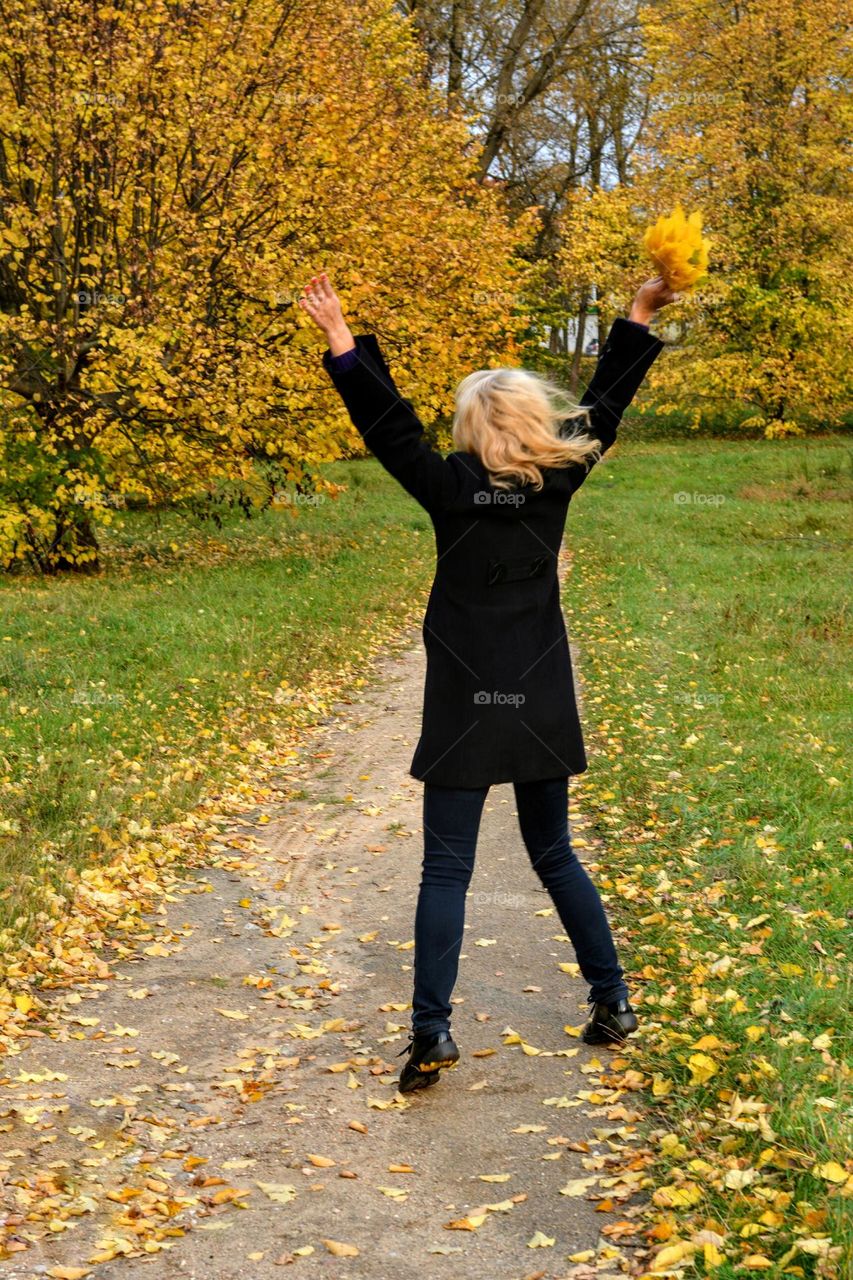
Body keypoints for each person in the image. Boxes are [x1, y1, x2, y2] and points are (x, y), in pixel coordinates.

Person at [298, 271, 679, 1093]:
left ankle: (431, 1031)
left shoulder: (447, 487)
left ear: (472, 428)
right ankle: (612, 1000)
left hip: (465, 705)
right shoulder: (557, 480)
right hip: (538, 698)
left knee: (446, 870)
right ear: (536, 423)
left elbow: (389, 428)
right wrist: (638, 314)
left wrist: (341, 342)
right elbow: (605, 405)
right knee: (554, 853)